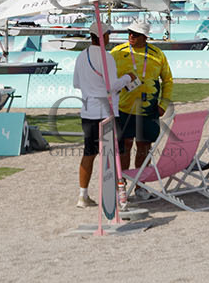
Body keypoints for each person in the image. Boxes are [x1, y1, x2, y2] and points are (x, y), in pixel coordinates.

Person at [72, 31, 137, 208]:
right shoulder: (106, 57)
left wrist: (92, 87)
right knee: (114, 154)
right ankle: (116, 195)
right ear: (105, 36)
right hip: (107, 111)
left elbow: (76, 83)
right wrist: (128, 78)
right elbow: (112, 86)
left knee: (89, 154)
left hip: (88, 111)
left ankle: (82, 195)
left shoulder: (81, 56)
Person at [111, 21, 173, 172]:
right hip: (123, 109)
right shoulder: (116, 52)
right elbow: (107, 80)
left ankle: (140, 185)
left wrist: (163, 105)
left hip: (148, 109)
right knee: (125, 146)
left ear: (145, 37)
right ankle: (122, 185)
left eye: (136, 34)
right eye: (129, 32)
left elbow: (168, 81)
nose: (131, 36)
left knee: (144, 147)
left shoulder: (157, 54)